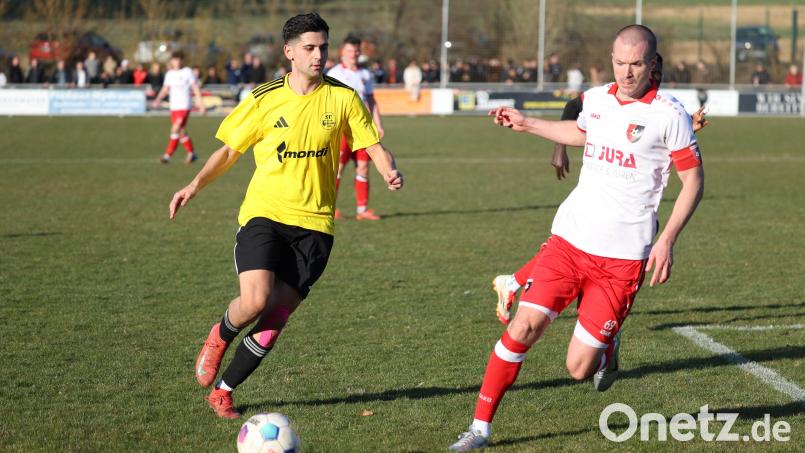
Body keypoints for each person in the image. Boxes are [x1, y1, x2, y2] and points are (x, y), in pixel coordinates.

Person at [449, 25, 704, 451]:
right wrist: (527, 123)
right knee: (522, 327)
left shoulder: (669, 114)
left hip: (622, 259)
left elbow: (693, 181)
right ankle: (478, 429)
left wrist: (667, 239)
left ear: (652, 64)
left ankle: (608, 347)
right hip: (569, 241)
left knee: (578, 368)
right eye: (619, 63)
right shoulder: (598, 99)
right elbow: (580, 134)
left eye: (636, 64)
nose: (626, 72)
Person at [171, 12, 403, 419]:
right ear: (289, 52)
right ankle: (220, 334)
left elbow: (371, 143)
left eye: (323, 47)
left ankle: (223, 391)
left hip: (316, 226)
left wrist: (388, 170)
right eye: (310, 48)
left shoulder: (343, 97)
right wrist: (194, 185)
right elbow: (228, 151)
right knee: (255, 300)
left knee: (275, 319)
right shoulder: (264, 98)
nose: (318, 55)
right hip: (266, 214)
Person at [495, 52, 709, 325]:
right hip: (602, 197)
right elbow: (574, 108)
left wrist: (687, 127)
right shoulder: (603, 97)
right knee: (569, 250)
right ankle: (516, 284)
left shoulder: (660, 109)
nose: (652, 78)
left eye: (656, 74)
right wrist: (559, 148)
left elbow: (642, 141)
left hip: (632, 204)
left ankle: (516, 284)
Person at [326, 35, 385, 220]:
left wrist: (378, 124)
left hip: (363, 130)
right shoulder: (334, 73)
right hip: (342, 129)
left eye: (356, 50)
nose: (353, 54)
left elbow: (371, 100)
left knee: (363, 168)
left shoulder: (365, 74)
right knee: (337, 169)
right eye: (350, 50)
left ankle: (362, 210)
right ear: (342, 52)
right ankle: (329, 209)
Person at [152, 51, 206, 164]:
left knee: (175, 128)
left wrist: (201, 104)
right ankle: (192, 153)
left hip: (184, 106)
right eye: (175, 60)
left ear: (182, 61)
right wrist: (157, 99)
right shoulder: (169, 74)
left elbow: (195, 88)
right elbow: (165, 89)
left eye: (179, 60)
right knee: (181, 132)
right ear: (172, 61)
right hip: (174, 107)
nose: (177, 62)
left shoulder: (187, 72)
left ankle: (167, 155)